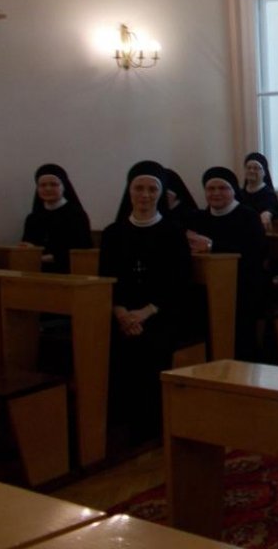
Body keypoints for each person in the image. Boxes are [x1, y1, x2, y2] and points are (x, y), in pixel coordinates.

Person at [99, 160, 192, 442]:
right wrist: (121, 313)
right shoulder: (113, 233)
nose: (145, 195)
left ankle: (151, 426)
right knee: (102, 341)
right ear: (129, 191)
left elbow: (179, 282)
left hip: (162, 312)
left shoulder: (173, 232)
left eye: (153, 189)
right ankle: (114, 424)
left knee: (150, 345)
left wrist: (145, 312)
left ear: (161, 194)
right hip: (120, 313)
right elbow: (107, 278)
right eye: (139, 188)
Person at [187, 167, 269, 360]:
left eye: (222, 188)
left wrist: (211, 246)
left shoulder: (248, 216)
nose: (216, 193)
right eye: (210, 188)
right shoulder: (198, 218)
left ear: (233, 191)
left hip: (244, 286)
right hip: (207, 288)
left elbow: (255, 253)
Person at [20, 163, 92, 273]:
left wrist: (53, 257)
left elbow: (82, 249)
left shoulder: (77, 215)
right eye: (42, 185)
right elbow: (27, 245)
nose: (48, 188)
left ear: (64, 187)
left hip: (68, 272)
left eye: (54, 184)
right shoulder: (33, 218)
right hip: (37, 271)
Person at [238, 152, 278, 232]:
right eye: (248, 168)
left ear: (264, 172)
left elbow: (275, 210)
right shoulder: (239, 193)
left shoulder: (269, 195)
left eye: (256, 168)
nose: (251, 171)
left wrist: (268, 213)